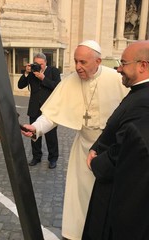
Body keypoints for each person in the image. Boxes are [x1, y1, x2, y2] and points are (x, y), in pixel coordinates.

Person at [21, 40, 128, 240]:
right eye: (75, 61)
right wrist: (36, 127)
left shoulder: (116, 79)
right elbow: (52, 114)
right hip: (84, 149)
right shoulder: (70, 81)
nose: (78, 66)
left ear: (98, 61)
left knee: (111, 196)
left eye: (83, 62)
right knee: (81, 197)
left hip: (113, 150)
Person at [83, 40, 149, 240]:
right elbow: (116, 126)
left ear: (143, 65)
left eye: (123, 63)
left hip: (121, 193)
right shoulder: (139, 93)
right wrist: (96, 146)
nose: (119, 68)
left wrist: (97, 163)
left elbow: (129, 147)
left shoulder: (144, 102)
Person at [18, 52, 61, 169]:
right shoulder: (31, 72)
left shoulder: (53, 71)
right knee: (34, 134)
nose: (39, 66)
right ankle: (36, 157)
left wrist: (43, 78)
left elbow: (58, 87)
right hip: (34, 108)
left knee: (51, 136)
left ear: (45, 63)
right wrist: (26, 72)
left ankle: (53, 158)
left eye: (41, 64)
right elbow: (20, 85)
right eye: (36, 64)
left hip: (49, 109)